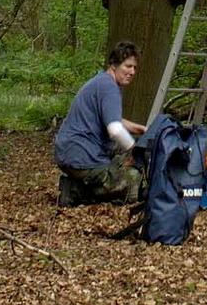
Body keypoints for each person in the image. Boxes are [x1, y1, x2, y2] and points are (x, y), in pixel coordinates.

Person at [54, 41, 147, 207]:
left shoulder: (101, 82)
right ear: (114, 65)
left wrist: (139, 129)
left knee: (119, 161)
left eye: (134, 68)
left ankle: (76, 186)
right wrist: (135, 152)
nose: (132, 72)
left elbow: (112, 119)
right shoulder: (109, 88)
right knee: (133, 182)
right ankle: (75, 192)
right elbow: (115, 129)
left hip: (69, 154)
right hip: (82, 157)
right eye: (128, 66)